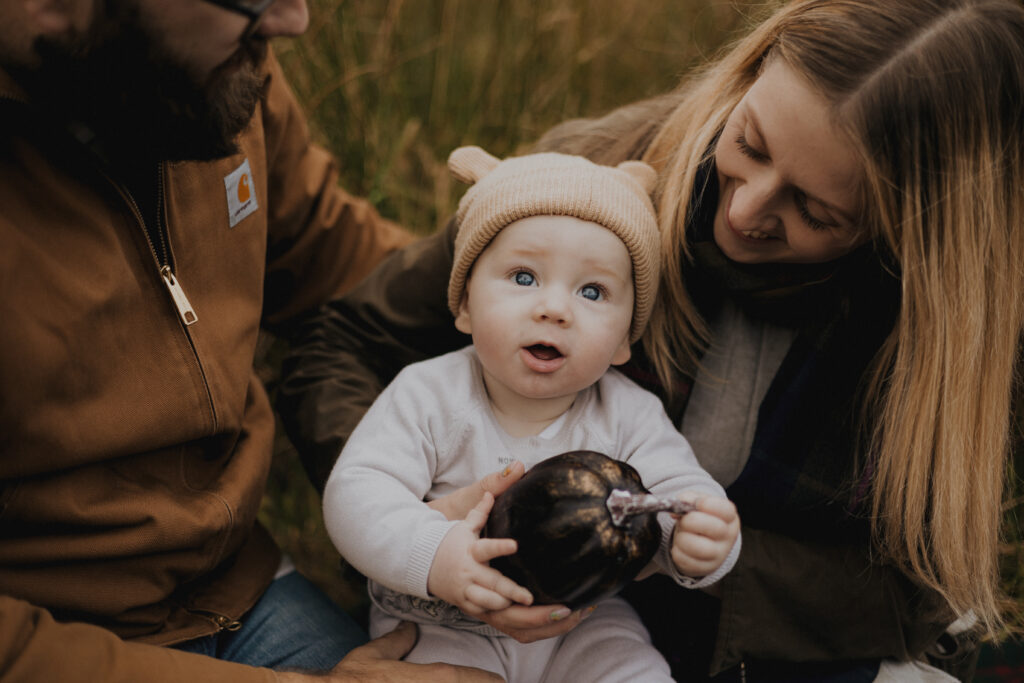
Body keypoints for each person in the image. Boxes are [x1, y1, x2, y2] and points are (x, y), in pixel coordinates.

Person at [276, 0, 1024, 680]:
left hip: (727, 646)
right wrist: (411, 525)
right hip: (463, 607)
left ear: (910, 233)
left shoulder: (954, 334)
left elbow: (911, 590)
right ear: (747, 78)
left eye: (815, 210)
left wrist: (698, 553)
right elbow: (343, 343)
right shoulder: (584, 194)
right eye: (750, 143)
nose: (746, 211)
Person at [0, 0, 503, 681]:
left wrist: (531, 271)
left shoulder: (209, 70)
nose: (294, 21)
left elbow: (334, 260)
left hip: (241, 585)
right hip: (58, 637)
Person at [321, 146, 742, 682]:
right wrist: (436, 555)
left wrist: (695, 540)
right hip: (444, 621)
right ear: (466, 305)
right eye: (524, 277)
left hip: (581, 622)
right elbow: (356, 492)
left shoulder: (630, 414)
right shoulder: (429, 393)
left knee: (633, 671)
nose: (555, 308)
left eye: (592, 291)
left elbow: (674, 489)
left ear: (622, 341)